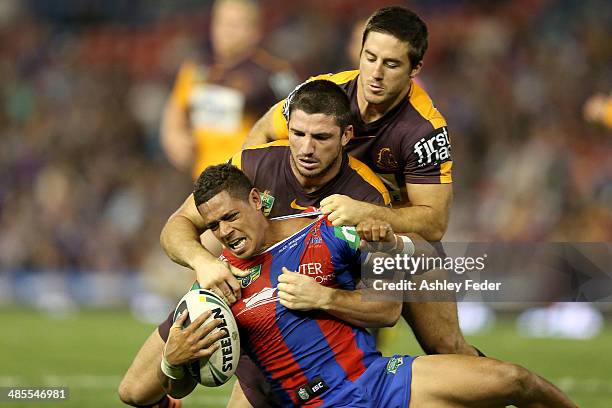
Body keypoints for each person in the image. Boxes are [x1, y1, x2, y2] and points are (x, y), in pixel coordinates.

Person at [159, 163, 576, 408]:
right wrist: (173, 363)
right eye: (213, 226)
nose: (224, 231)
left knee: (515, 379)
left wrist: (385, 242)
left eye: (229, 217)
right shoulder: (217, 286)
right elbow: (191, 381)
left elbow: (390, 307)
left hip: (381, 381)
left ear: (255, 200)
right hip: (318, 402)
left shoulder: (322, 233)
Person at [119, 80, 395, 408]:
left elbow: (383, 300)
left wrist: (324, 297)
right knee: (134, 391)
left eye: (320, 137)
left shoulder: (366, 195)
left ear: (344, 136)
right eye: (298, 134)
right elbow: (176, 226)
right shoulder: (256, 165)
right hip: (232, 291)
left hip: (299, 323)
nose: (306, 148)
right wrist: (204, 262)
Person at [243, 6, 474, 360]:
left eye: (392, 64)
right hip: (315, 231)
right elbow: (259, 137)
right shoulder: (323, 94)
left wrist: (364, 212)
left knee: (446, 348)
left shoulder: (423, 131)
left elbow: (434, 222)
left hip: (390, 241)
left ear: (415, 69)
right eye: (370, 58)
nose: (376, 74)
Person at [160, 0, 297, 178]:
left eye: (234, 24)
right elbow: (175, 110)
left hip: (251, 181)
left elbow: (300, 119)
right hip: (203, 180)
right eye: (221, 22)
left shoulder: (274, 73)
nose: (225, 31)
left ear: (255, 31)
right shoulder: (197, 69)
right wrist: (174, 136)